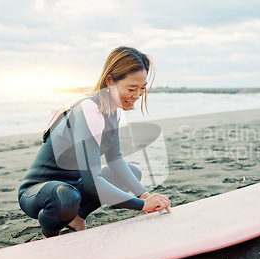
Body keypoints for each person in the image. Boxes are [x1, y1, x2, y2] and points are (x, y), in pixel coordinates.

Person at [18, 46, 171, 238]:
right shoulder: (88, 109)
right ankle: (49, 234)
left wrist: (145, 195)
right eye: (131, 88)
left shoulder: (113, 110)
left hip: (74, 188)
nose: (137, 95)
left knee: (132, 172)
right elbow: (93, 183)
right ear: (109, 81)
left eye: (142, 88)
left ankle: (77, 217)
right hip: (39, 192)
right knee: (66, 196)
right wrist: (141, 205)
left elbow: (115, 159)